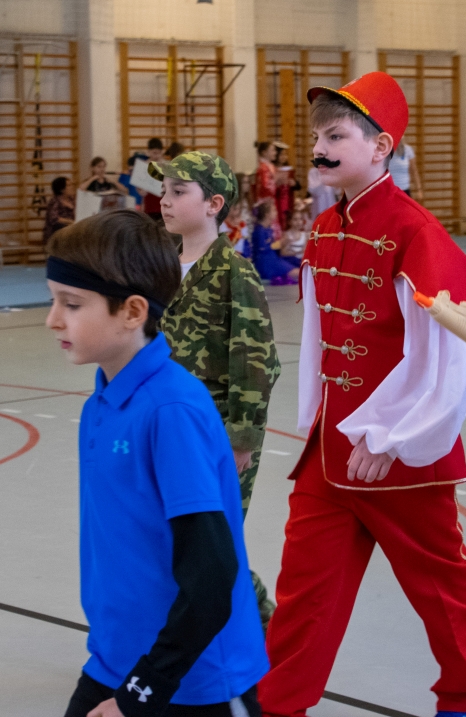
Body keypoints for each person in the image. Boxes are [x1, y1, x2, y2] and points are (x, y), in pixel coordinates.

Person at [260, 72, 466, 717]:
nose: (320, 148)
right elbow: (319, 339)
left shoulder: (413, 231)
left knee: (439, 587)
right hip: (329, 452)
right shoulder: (323, 229)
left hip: (399, 456)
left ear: (380, 146)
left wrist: (390, 436)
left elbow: (447, 353)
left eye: (336, 136)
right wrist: (319, 422)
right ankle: (278, 706)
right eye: (317, 136)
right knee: (303, 593)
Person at [43, 210, 267, 717]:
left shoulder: (171, 411)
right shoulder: (102, 402)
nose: (53, 319)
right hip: (114, 661)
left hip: (192, 680)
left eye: (71, 304)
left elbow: (212, 576)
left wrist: (142, 691)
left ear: (132, 311)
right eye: (53, 300)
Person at [152, 150, 281, 627]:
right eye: (163, 191)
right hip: (169, 426)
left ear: (213, 204)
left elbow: (255, 361)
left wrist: (242, 439)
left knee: (214, 539)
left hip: (218, 430)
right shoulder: (161, 267)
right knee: (178, 535)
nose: (165, 201)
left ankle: (266, 624)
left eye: (178, 191)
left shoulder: (234, 272)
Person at [250, 203, 299, 286]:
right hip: (266, 263)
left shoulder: (268, 228)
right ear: (267, 214)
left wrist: (282, 244)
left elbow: (272, 246)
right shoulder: (259, 230)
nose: (276, 212)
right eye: (274, 210)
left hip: (273, 259)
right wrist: (280, 243)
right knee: (297, 273)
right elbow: (263, 248)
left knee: (297, 268)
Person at [252, 141, 281, 238]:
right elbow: (265, 186)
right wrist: (276, 180)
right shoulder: (263, 168)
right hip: (265, 202)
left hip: (271, 201)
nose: (275, 153)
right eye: (272, 150)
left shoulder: (270, 166)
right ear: (264, 152)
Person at [272, 143, 299, 230]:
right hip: (277, 200)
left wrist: (294, 183)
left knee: (288, 219)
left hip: (288, 199)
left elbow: (298, 186)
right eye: (281, 154)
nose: (284, 157)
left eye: (285, 154)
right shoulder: (272, 169)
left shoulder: (288, 169)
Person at [43, 176, 75, 244]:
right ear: (62, 189)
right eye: (69, 185)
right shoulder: (55, 201)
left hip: (70, 233)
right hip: (56, 235)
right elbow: (54, 218)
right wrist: (71, 222)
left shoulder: (72, 200)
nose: (72, 187)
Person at [141, 139, 166, 222]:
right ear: (148, 152)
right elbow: (139, 189)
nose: (156, 155)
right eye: (154, 153)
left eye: (159, 153)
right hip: (149, 204)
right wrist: (142, 190)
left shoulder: (166, 166)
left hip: (163, 203)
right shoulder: (144, 166)